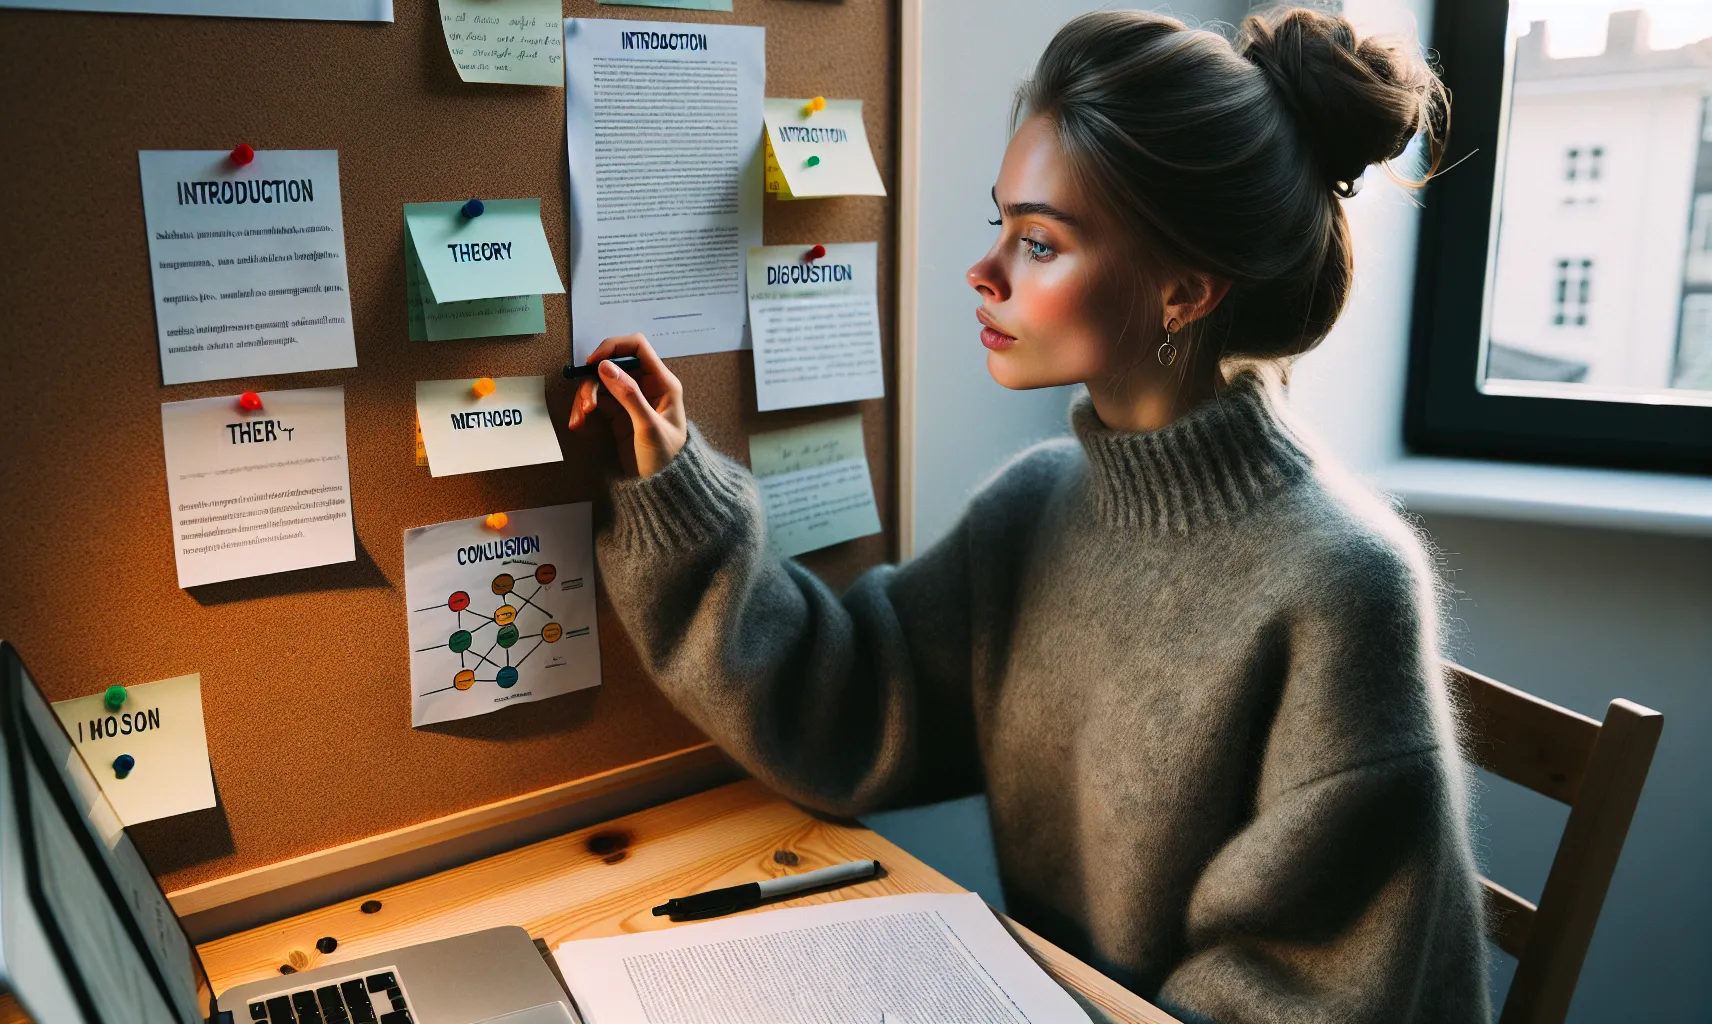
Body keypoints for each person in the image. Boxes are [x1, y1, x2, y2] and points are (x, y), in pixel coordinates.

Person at [566, 6, 1490, 1022]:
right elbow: (848, 705)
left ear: (1184, 293)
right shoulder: (1037, 507)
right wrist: (671, 485)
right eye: (998, 221)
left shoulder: (1342, 584)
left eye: (1039, 242)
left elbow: (1306, 993)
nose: (986, 270)